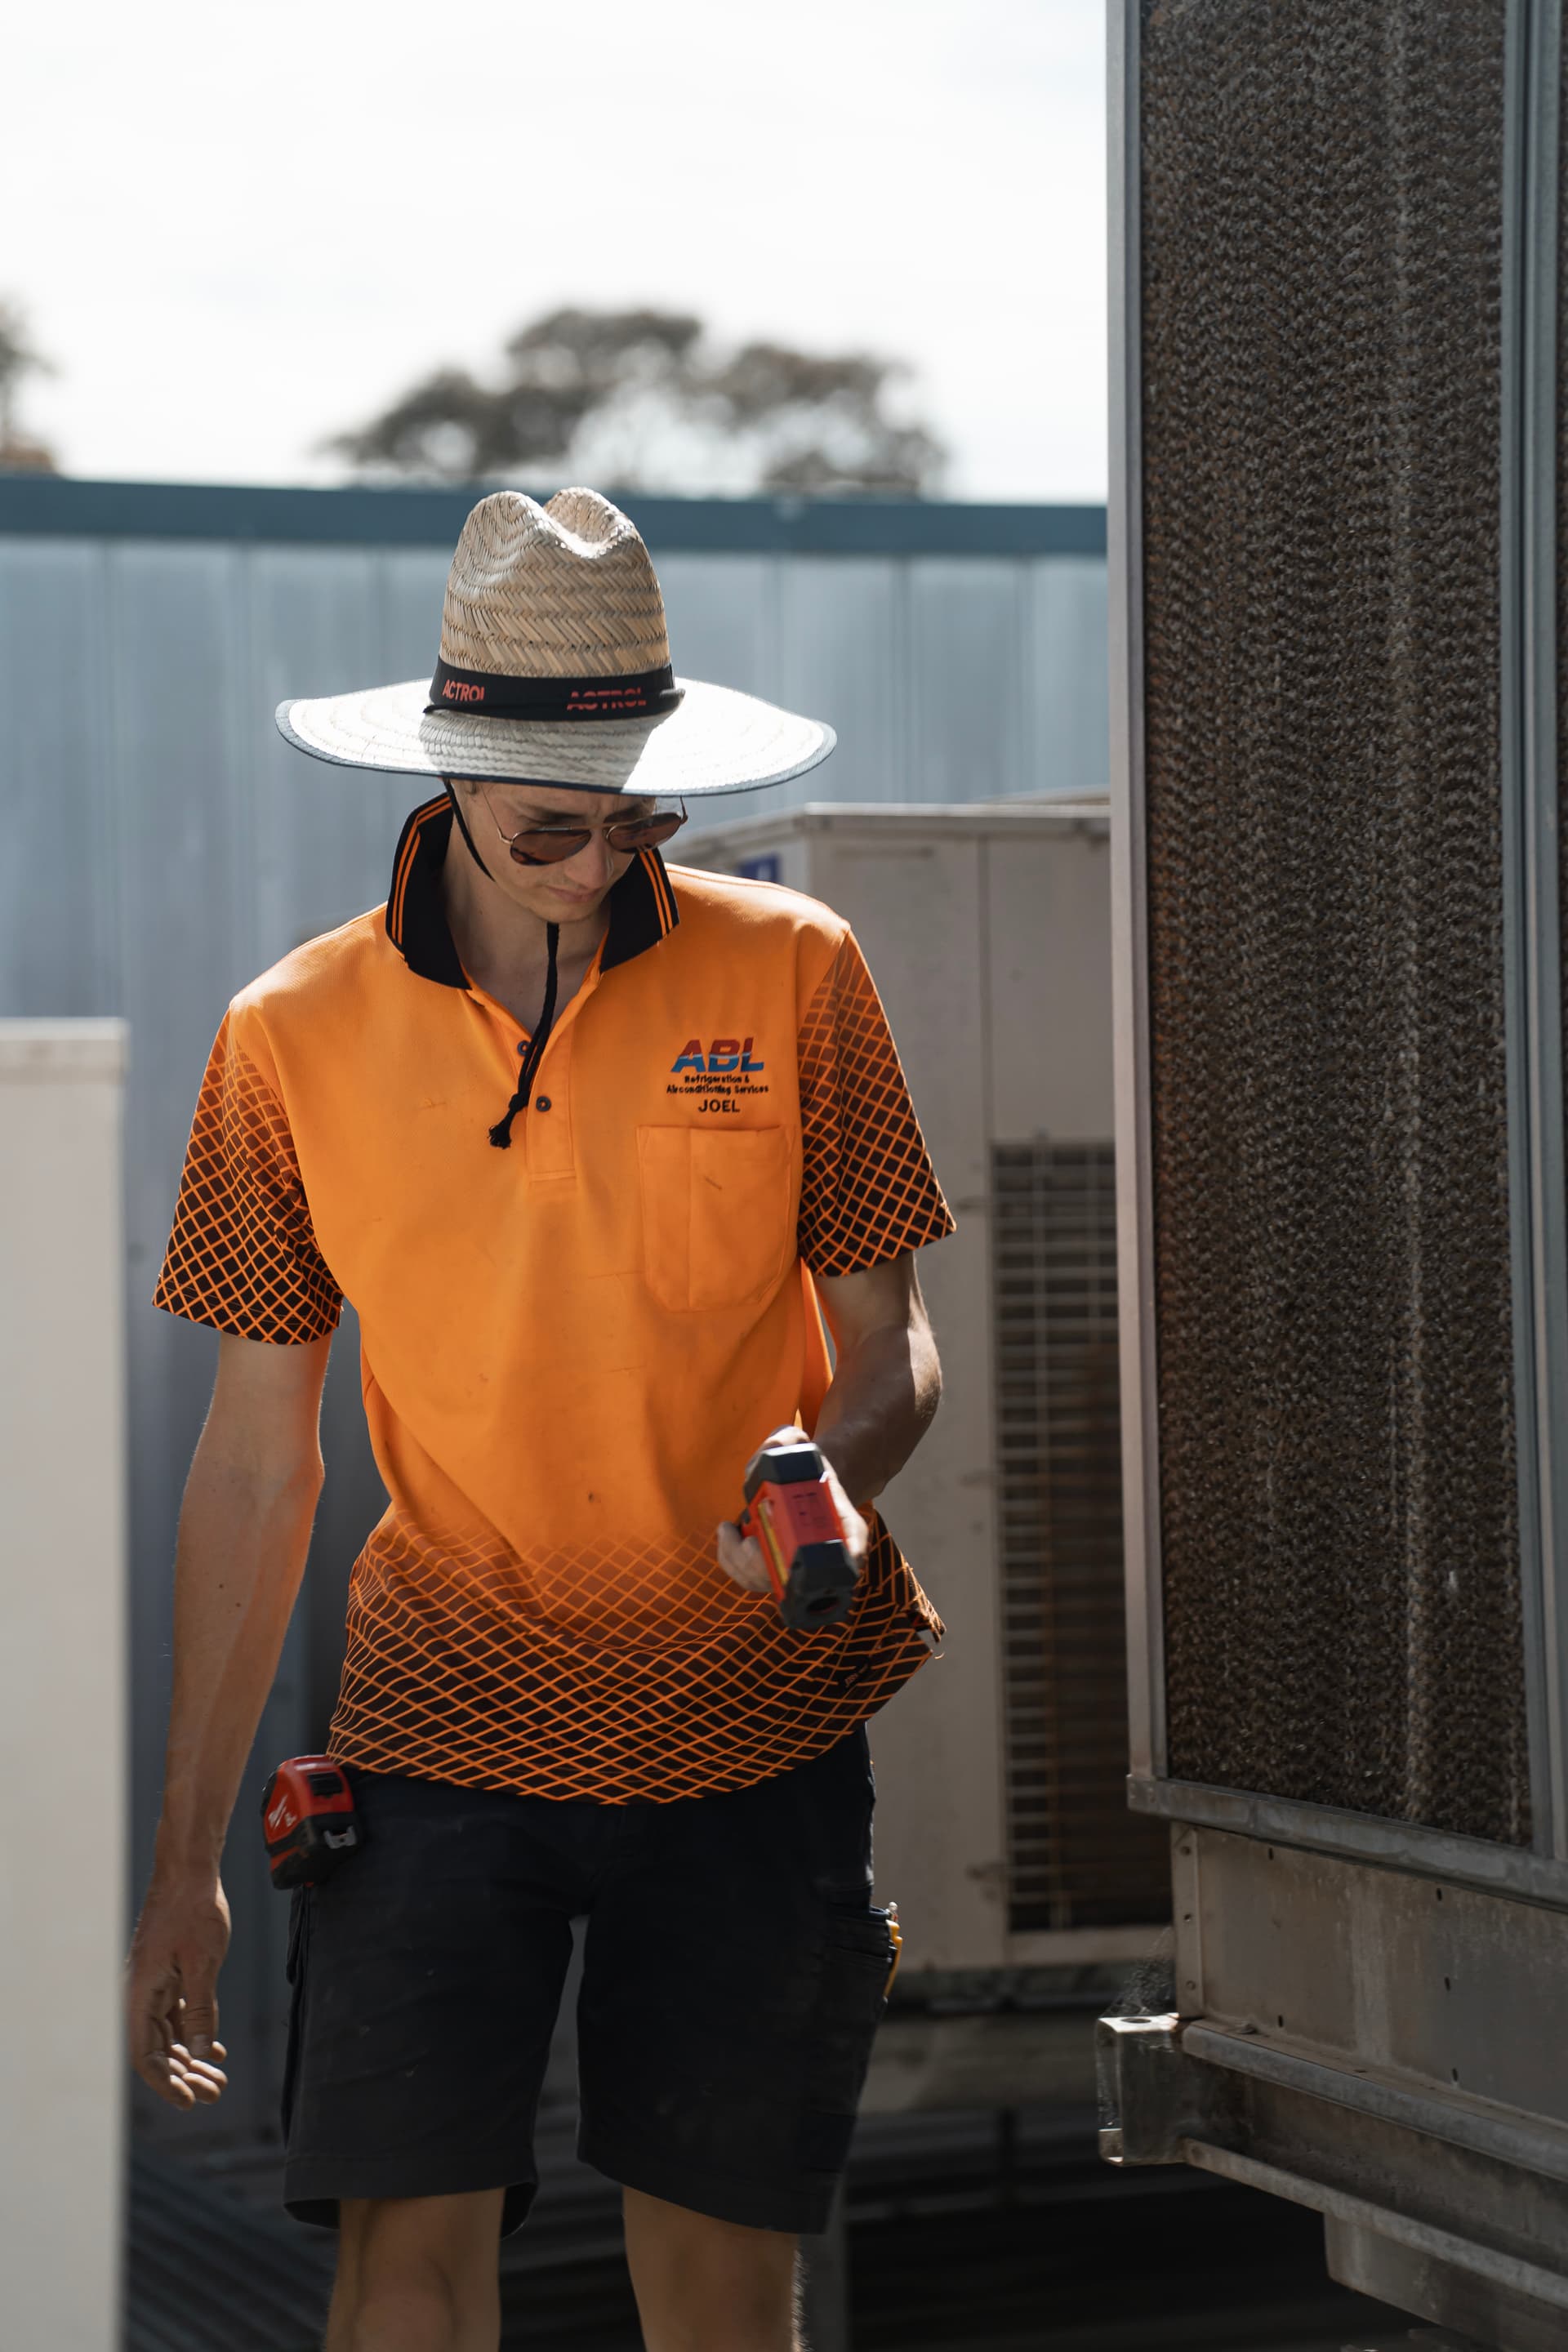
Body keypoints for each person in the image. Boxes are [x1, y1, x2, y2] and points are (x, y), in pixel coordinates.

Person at [126, 488, 954, 2352]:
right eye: (550, 829)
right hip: (439, 1722)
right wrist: (181, 1863)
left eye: (635, 818)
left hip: (755, 1711)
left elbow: (896, 1342)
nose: (597, 866)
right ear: (441, 779)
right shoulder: (284, 1038)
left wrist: (831, 1461)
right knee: (401, 2274)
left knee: (726, 2284)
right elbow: (260, 1456)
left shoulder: (802, 971)